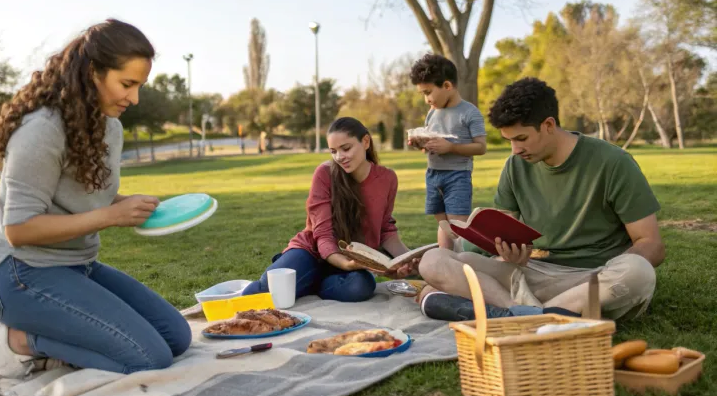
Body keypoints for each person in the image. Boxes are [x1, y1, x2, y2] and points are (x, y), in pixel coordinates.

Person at [0, 19, 191, 377]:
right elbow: (19, 229)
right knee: (148, 357)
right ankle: (19, 341)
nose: (134, 98)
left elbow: (79, 193)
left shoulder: (109, 126)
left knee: (176, 337)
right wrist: (109, 217)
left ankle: (65, 341)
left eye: (139, 86)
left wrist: (120, 202)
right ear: (93, 72)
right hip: (21, 274)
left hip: (77, 266)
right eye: (127, 84)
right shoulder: (41, 130)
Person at [418, 78, 664, 321]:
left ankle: (517, 314)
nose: (514, 149)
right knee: (434, 261)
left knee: (638, 272)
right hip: (530, 274)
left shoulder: (613, 162)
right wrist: (510, 252)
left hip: (591, 279)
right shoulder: (515, 167)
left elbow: (651, 244)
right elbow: (503, 234)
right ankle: (526, 314)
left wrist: (612, 271)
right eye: (509, 141)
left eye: (521, 139)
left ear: (548, 125)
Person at [243, 117, 418, 302]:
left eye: (346, 148)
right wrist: (345, 264)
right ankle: (309, 276)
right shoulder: (325, 173)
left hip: (351, 261)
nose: (339, 157)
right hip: (312, 253)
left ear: (365, 142)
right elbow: (323, 235)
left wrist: (406, 260)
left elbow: (384, 229)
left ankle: (313, 283)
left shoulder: (387, 178)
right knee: (257, 295)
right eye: (333, 151)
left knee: (360, 287)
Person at [408, 54, 487, 249]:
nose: (426, 99)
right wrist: (421, 143)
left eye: (428, 92)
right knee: (443, 224)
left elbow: (481, 147)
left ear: (447, 86)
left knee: (457, 225)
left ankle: (462, 264)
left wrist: (451, 147)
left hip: (457, 175)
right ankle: (445, 263)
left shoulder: (469, 112)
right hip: (434, 174)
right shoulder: (433, 112)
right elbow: (432, 142)